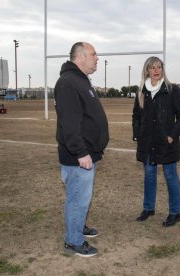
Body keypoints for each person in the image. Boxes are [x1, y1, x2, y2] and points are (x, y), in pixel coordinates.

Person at [54, 42, 109, 257]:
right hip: (79, 155)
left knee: (81, 196)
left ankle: (78, 226)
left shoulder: (80, 79)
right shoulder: (69, 82)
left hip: (86, 153)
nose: (97, 58)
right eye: (94, 54)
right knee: (77, 198)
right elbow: (69, 123)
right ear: (80, 56)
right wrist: (81, 152)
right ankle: (73, 241)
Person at [132, 56, 180, 227]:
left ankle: (175, 212)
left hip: (166, 143)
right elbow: (136, 116)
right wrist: (138, 134)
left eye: (159, 67)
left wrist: (171, 135)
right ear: (146, 70)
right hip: (147, 142)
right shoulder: (142, 91)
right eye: (152, 67)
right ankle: (148, 208)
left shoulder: (172, 90)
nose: (156, 70)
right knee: (149, 175)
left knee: (170, 176)